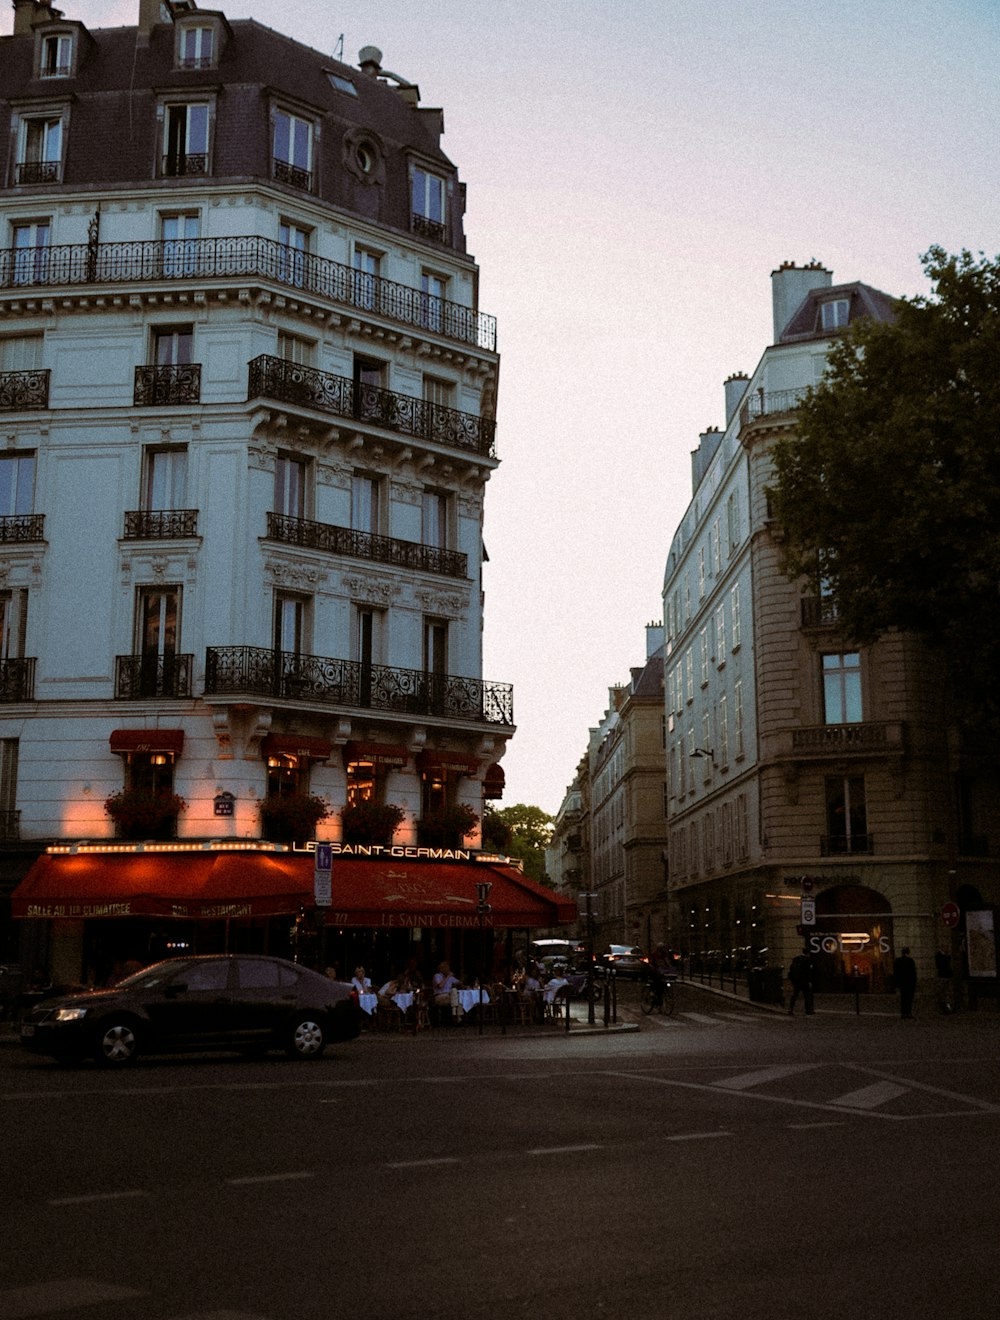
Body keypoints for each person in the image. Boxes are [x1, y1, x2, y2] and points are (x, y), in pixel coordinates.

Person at [787, 951, 814, 1015]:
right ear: (808, 954)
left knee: (795, 995)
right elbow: (808, 972)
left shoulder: (796, 959)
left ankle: (790, 1009)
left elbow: (791, 970)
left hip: (796, 981)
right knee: (807, 996)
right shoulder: (807, 960)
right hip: (804, 981)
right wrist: (810, 981)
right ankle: (808, 1010)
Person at [894, 946, 918, 1018]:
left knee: (903, 998)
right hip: (909, 983)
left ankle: (903, 1013)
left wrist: (896, 983)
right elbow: (913, 973)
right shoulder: (910, 961)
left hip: (902, 983)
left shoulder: (897, 961)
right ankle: (908, 1012)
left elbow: (896, 973)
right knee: (909, 998)